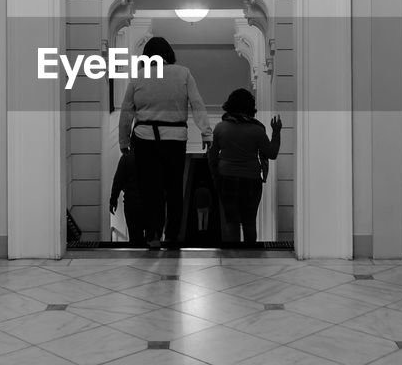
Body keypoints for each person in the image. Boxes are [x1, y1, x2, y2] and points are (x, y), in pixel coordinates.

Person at [118, 37, 211, 248]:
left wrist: (124, 140)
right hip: (175, 138)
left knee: (151, 189)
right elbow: (197, 103)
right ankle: (172, 235)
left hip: (144, 138)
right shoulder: (183, 73)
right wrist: (206, 133)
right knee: (174, 188)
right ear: (169, 54)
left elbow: (126, 112)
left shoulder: (138, 77)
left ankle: (153, 235)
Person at [207, 88, 282, 245]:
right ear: (250, 106)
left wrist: (216, 176)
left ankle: (233, 254)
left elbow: (212, 156)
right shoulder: (257, 130)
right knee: (249, 221)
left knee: (231, 221)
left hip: (226, 178)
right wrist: (276, 132)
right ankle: (250, 254)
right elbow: (272, 153)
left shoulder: (221, 128)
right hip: (251, 179)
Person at [108, 149, 146, 246]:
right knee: (152, 237)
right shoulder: (154, 155)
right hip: (150, 203)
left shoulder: (126, 158)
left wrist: (113, 200)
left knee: (135, 237)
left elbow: (118, 180)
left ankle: (138, 257)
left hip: (132, 202)